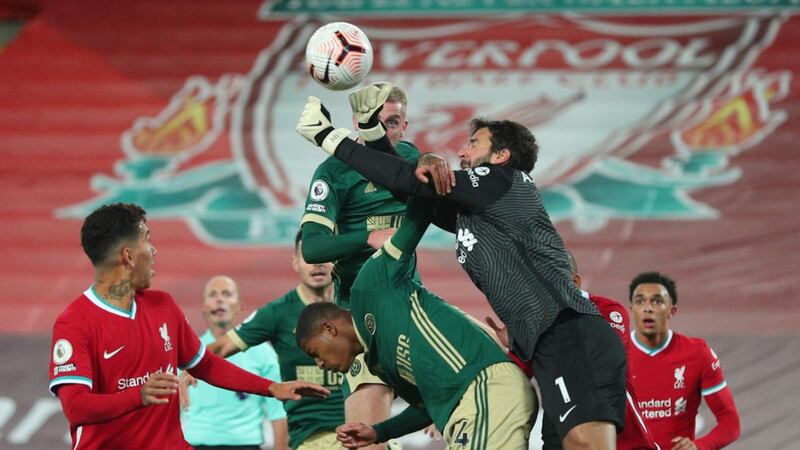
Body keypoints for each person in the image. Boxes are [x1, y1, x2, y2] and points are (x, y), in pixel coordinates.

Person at [296, 85, 627, 450]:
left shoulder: (503, 182)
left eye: (473, 144)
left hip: (566, 329)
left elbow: (413, 182)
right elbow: (414, 192)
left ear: (500, 155)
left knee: (588, 444)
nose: (461, 151)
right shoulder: (477, 214)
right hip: (543, 344)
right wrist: (373, 136)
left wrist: (328, 137)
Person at [48, 203, 329, 450]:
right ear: (128, 256)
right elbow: (76, 407)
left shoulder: (163, 306)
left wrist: (270, 388)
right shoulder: (75, 322)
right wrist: (139, 395)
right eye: (147, 240)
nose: (154, 250)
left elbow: (205, 364)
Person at [295, 195, 537, 449]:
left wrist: (425, 183)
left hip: (483, 388)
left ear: (329, 328)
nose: (320, 364)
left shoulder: (368, 289)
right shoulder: (379, 363)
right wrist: (378, 432)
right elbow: (425, 407)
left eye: (315, 352)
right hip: (466, 408)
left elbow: (411, 227)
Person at [300, 85, 419, 449]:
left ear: (404, 126)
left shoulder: (410, 159)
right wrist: (368, 236)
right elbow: (313, 247)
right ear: (355, 122)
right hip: (363, 321)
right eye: (375, 122)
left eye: (393, 123)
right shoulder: (332, 171)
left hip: (412, 310)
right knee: (366, 442)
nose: (383, 131)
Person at [195, 231, 344, 449]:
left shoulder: (356, 305)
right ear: (295, 263)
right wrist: (188, 369)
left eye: (325, 254)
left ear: (338, 260)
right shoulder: (277, 312)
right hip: (312, 434)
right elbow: (221, 347)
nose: (317, 263)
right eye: (308, 255)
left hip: (361, 426)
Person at [628, 272, 740, 450]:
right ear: (632, 309)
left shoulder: (697, 353)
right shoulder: (614, 354)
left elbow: (730, 421)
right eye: (640, 301)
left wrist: (699, 446)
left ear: (672, 310)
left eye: (657, 301)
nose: (647, 308)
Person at [180, 275, 289, 450]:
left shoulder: (263, 354)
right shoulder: (190, 353)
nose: (219, 299)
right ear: (204, 307)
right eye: (213, 295)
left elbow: (278, 411)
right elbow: (172, 410)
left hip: (245, 445)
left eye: (226, 294)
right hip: (195, 445)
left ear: (240, 306)